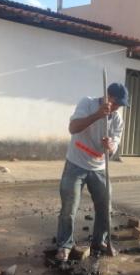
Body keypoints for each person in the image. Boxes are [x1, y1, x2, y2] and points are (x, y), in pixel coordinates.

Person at [55, 83, 129, 263]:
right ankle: (65, 245)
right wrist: (97, 115)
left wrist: (110, 147)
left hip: (99, 168)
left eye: (121, 105)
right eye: (116, 103)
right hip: (76, 164)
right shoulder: (86, 104)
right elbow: (73, 128)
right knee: (69, 207)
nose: (118, 107)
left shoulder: (118, 119)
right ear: (107, 96)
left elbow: (114, 147)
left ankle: (99, 241)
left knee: (105, 206)